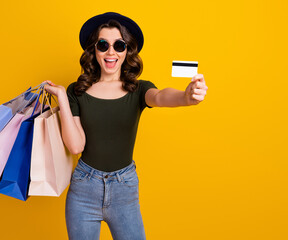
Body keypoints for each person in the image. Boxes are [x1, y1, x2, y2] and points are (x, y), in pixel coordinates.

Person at [43, 12, 208, 240]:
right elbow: (75, 146)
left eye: (119, 45)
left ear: (127, 51)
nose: (111, 52)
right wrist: (62, 97)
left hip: (124, 188)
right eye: (103, 45)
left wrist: (186, 97)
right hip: (84, 188)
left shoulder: (138, 89)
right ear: (94, 50)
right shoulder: (76, 91)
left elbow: (160, 97)